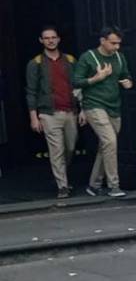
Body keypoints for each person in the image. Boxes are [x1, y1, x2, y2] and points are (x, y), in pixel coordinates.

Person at [73, 25, 134, 197]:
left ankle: (94, 185)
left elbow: (126, 75)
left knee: (106, 145)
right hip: (94, 105)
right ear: (102, 41)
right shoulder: (88, 57)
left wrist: (128, 82)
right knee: (110, 142)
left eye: (118, 43)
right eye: (113, 43)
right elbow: (76, 81)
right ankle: (114, 185)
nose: (117, 47)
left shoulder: (119, 58)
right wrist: (96, 78)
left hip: (113, 106)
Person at [24, 27, 78, 198]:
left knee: (70, 147)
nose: (51, 41)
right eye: (47, 38)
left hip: (70, 111)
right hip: (49, 113)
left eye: (53, 37)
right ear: (41, 41)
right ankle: (62, 185)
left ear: (59, 39)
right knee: (56, 150)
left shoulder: (70, 60)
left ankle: (62, 175)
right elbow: (31, 91)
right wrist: (34, 117)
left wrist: (82, 109)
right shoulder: (36, 63)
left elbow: (78, 86)